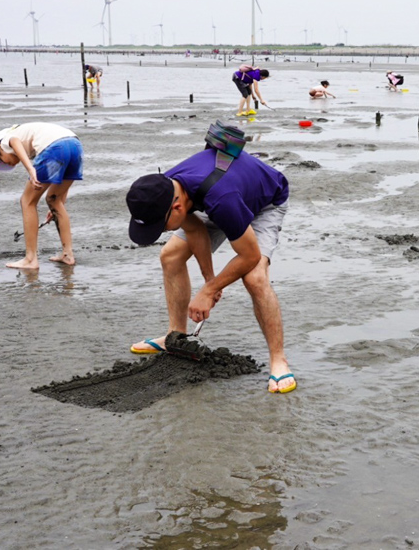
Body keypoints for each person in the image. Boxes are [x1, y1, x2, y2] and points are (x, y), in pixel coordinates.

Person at [125, 122, 296, 394]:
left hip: (265, 203)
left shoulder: (221, 198)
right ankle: (176, 336)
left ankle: (279, 359)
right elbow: (193, 227)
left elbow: (249, 254)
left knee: (254, 277)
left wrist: (210, 290)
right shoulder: (167, 187)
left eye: (161, 226)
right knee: (170, 255)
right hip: (216, 197)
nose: (162, 231)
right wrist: (209, 279)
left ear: (177, 207)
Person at [0, 122, 83, 269]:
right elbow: (61, 180)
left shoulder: (3, 139)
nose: (8, 164)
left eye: (2, 160)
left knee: (27, 201)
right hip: (75, 145)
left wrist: (30, 169)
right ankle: (68, 255)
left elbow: (14, 142)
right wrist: (57, 206)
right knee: (54, 199)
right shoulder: (28, 133)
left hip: (54, 148)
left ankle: (30, 259)